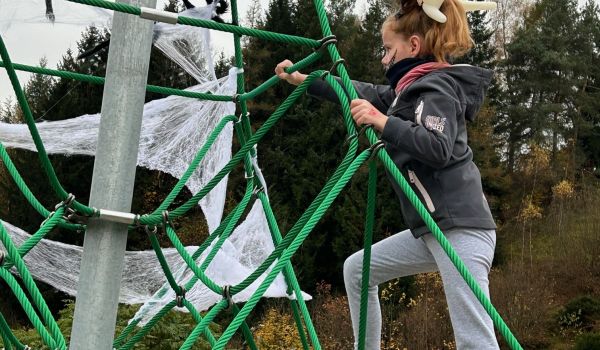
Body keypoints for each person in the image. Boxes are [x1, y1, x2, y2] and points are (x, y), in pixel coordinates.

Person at [275, 0, 500, 348]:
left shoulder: (437, 87)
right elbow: (357, 91)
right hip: (432, 230)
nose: (383, 59)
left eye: (387, 49)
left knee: (474, 339)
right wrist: (304, 80)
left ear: (412, 46)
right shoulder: (405, 93)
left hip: (461, 229)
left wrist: (381, 122)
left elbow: (439, 147)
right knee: (358, 269)